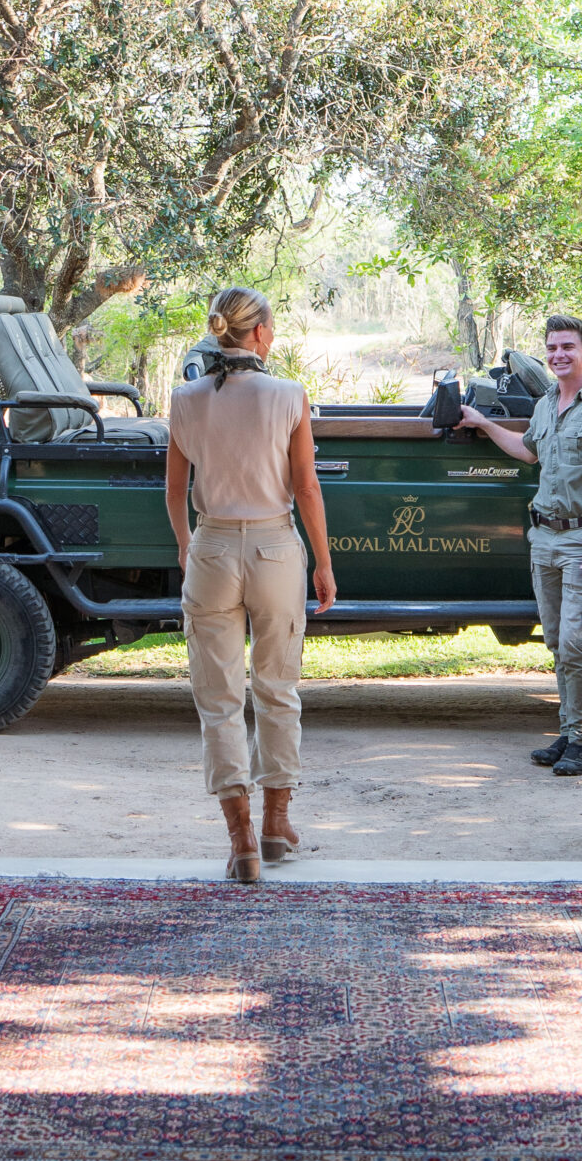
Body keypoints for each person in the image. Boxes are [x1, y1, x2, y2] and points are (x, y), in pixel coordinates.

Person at [165, 286, 337, 881]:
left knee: (218, 701)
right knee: (277, 689)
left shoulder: (186, 398)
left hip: (212, 546)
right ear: (259, 333)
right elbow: (307, 488)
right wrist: (323, 560)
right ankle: (276, 826)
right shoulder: (289, 395)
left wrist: (190, 546)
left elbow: (174, 490)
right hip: (274, 551)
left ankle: (239, 841)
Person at [461, 314, 582, 776]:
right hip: (545, 539)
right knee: (559, 642)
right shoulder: (545, 404)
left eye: (568, 347)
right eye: (552, 347)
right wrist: (481, 423)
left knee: (577, 642)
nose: (559, 355)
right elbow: (528, 450)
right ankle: (568, 729)